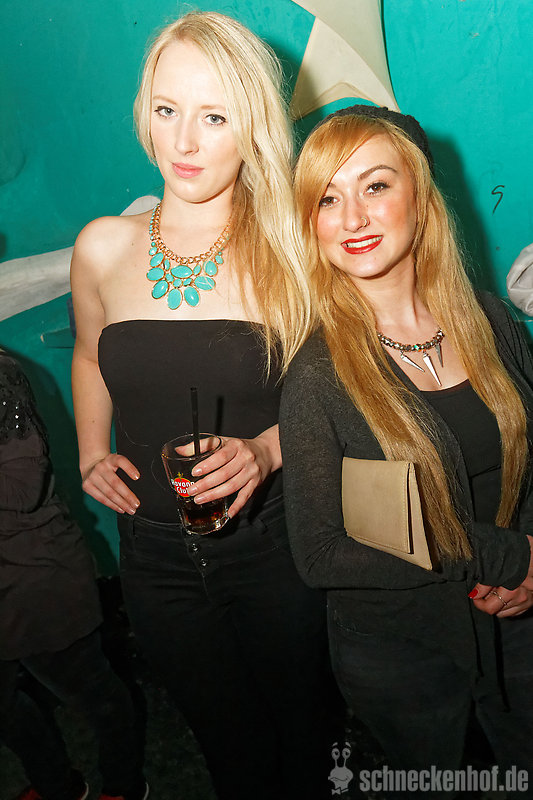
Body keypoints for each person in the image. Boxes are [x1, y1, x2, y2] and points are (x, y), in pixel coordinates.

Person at [70, 12, 335, 800]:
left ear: (252, 125)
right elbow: (88, 355)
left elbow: (349, 391)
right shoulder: (102, 246)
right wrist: (90, 450)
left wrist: (266, 450)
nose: (183, 141)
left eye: (214, 116)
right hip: (152, 559)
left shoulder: (296, 248)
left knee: (306, 739)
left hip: (274, 547)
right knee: (226, 748)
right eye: (166, 109)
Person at [279, 105, 533, 796]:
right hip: (402, 653)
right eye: (328, 198)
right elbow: (320, 552)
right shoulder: (317, 376)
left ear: (420, 196)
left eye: (375, 185)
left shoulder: (490, 319)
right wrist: (504, 556)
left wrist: (531, 565)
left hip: (516, 624)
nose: (352, 217)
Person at [0, 351, 147, 800]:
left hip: (32, 576)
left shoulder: (1, 377)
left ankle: (124, 785)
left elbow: (24, 486)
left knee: (95, 696)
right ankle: (58, 786)